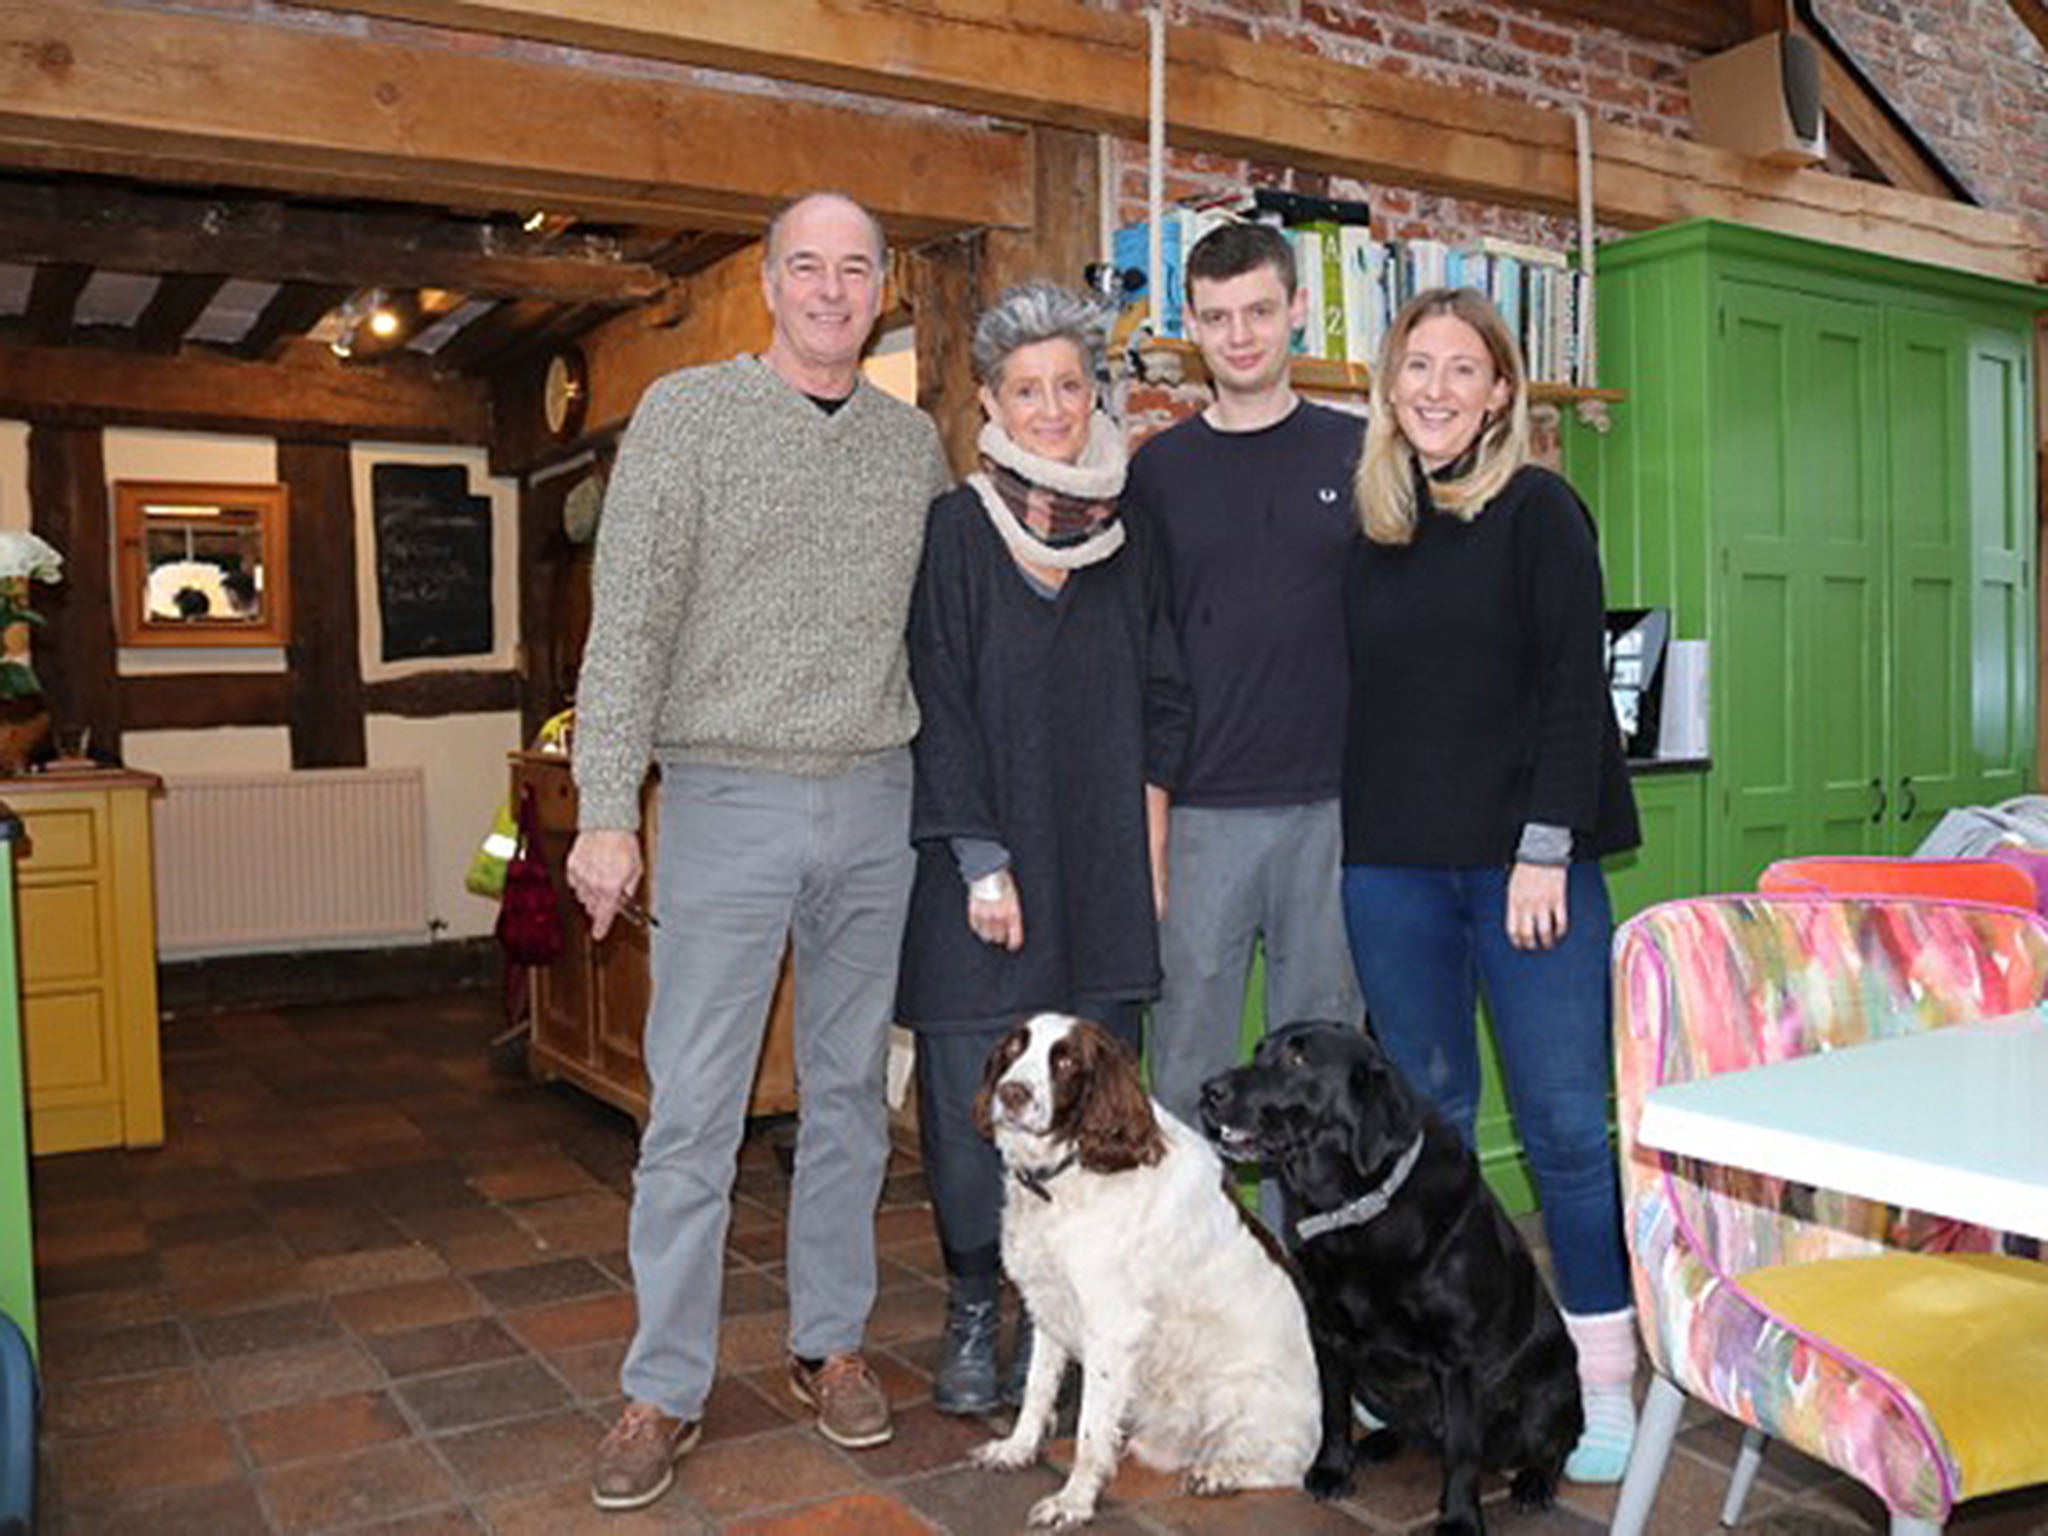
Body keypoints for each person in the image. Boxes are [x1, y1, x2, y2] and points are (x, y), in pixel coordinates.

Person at [567, 191, 952, 1513]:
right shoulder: (686, 415)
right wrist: (606, 806)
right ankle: (662, 1386)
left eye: (857, 269)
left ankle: (828, 1344)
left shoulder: (914, 450)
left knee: (849, 1096)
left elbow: (942, 639)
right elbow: (626, 628)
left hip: (875, 801)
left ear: (883, 289)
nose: (833, 290)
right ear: (769, 285)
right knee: (694, 1111)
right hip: (725, 798)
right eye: (808, 266)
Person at [1340, 285, 1642, 1484]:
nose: (1435, 389)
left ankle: (1601, 1376)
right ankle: (1430, 1371)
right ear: (1389, 382)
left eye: (1462, 370)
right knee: (1427, 1137)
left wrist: (1541, 847)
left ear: (1502, 391)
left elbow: (1577, 690)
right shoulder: (1371, 525)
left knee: (1567, 1131)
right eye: (1418, 366)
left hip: (1528, 877)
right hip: (1392, 872)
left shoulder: (1538, 511)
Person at [896, 281, 1192, 1414]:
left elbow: (1166, 694)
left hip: (1105, 865)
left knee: (1093, 1115)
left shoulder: (1131, 535)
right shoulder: (956, 531)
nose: (1052, 406)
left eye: (1070, 385)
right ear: (990, 402)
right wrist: (980, 858)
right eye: (1027, 389)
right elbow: (938, 696)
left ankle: (1060, 1326)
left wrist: (1152, 837)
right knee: (974, 1115)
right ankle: (976, 1308)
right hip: (983, 870)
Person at [1122, 223, 1363, 1167]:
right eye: (1218, 318)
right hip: (1204, 812)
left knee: (1321, 1071)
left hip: (1338, 812)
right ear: (1193, 326)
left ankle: (1305, 1293)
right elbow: (1141, 654)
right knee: (1187, 1067)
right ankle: (1187, 1291)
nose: (1241, 336)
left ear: (1297, 310)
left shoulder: (1359, 451)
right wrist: (1148, 825)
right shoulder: (1160, 472)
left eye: (1260, 311)